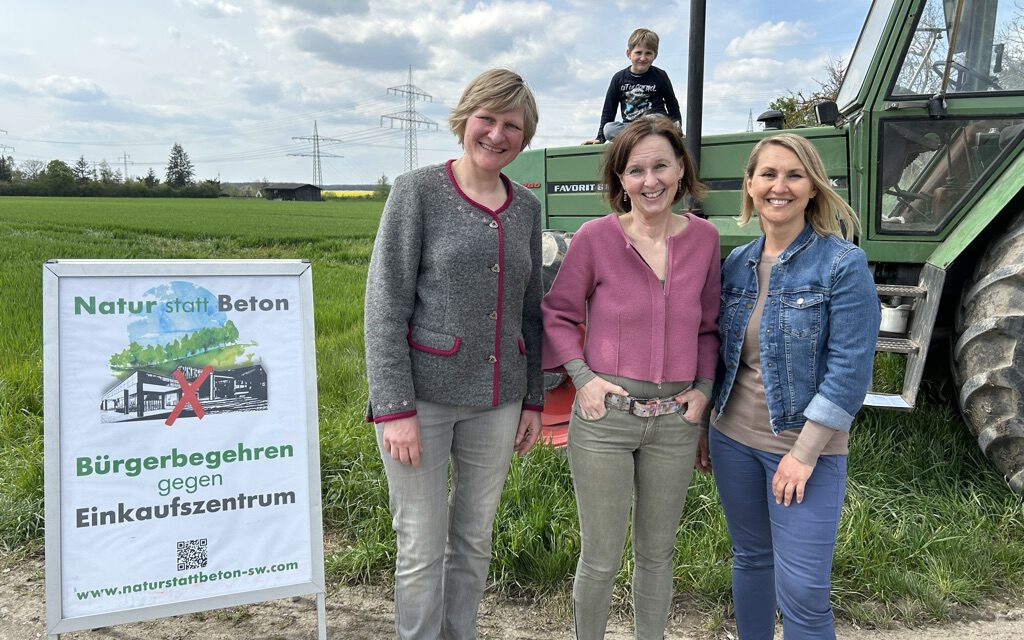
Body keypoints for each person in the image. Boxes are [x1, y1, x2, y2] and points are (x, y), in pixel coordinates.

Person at [363, 68, 545, 640]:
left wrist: (534, 400)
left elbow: (530, 311)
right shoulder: (416, 191)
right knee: (420, 543)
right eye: (486, 119)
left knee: (473, 538)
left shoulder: (527, 208)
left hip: (497, 403)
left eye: (511, 125)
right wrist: (393, 408)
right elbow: (384, 304)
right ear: (464, 120)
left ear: (525, 135)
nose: (496, 134)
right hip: (422, 402)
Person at [543, 115, 721, 639]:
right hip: (605, 419)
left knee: (658, 556)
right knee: (600, 557)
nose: (651, 180)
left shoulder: (705, 240)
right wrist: (582, 377)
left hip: (674, 424)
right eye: (636, 169)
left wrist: (705, 391)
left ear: (681, 170)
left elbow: (710, 327)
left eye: (661, 166)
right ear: (620, 180)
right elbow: (556, 314)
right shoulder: (596, 238)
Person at [710, 133, 881, 640]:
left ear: (812, 188)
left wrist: (804, 454)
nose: (778, 187)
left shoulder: (841, 264)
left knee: (804, 591)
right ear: (749, 185)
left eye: (793, 175)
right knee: (751, 562)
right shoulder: (737, 263)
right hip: (731, 441)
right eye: (767, 174)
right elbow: (724, 359)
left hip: (805, 451)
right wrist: (706, 429)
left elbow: (850, 371)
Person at [582, 28, 682, 145]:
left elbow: (672, 104)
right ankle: (639, 138)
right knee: (608, 129)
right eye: (638, 53)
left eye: (648, 53)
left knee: (656, 118)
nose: (643, 58)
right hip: (631, 126)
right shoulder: (619, 78)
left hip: (655, 122)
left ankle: (636, 138)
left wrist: (678, 130)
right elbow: (609, 110)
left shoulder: (660, 75)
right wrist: (600, 138)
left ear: (655, 55)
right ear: (629, 53)